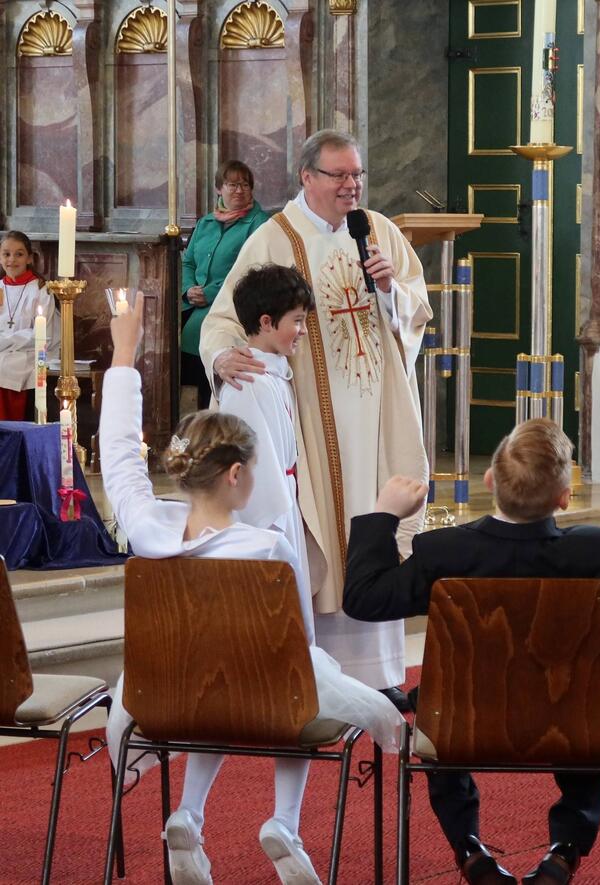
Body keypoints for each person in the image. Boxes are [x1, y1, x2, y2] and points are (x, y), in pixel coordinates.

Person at [342, 405, 600, 885]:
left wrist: (383, 514)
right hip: (574, 726)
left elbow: (364, 598)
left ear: (490, 480)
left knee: (438, 709)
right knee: (586, 709)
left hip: (459, 724)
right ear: (564, 497)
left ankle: (468, 849)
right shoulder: (594, 552)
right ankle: (565, 851)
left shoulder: (443, 552)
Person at [101, 298, 399, 885]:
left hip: (166, 693)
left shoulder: (145, 527)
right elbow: (297, 647)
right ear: (236, 475)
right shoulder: (268, 549)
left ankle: (188, 815)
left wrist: (124, 353)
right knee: (295, 676)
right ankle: (284, 821)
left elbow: (118, 458)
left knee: (215, 679)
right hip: (265, 697)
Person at [199, 130, 431, 700]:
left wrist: (390, 292)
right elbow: (225, 317)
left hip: (376, 416)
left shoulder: (379, 231)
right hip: (309, 418)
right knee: (322, 533)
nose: (352, 185)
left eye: (357, 175)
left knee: (374, 524)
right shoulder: (273, 238)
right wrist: (221, 356)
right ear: (307, 177)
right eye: (339, 175)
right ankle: (325, 676)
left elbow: (417, 308)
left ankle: (379, 676)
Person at [216, 264, 314, 631]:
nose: (303, 331)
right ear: (267, 322)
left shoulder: (272, 375)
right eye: (297, 321)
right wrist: (274, 533)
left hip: (284, 502)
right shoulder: (249, 383)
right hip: (267, 522)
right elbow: (251, 472)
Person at [180, 160, 269, 409]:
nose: (239, 190)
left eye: (245, 185)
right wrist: (188, 289)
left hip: (228, 308)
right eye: (232, 185)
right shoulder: (206, 223)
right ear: (219, 188)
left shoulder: (260, 224)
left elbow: (252, 268)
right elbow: (187, 262)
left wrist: (209, 293)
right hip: (190, 306)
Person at [0, 231, 56, 420]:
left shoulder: (40, 289)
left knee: (5, 365)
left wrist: (6, 341)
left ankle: (8, 429)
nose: (12, 260)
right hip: (3, 351)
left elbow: (42, 334)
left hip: (30, 352)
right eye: (6, 254)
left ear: (30, 258)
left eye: (19, 254)